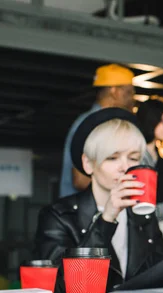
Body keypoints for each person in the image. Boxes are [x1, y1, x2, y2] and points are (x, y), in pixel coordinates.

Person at [36, 107, 163, 293]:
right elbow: (61, 289)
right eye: (112, 158)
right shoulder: (58, 216)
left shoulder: (143, 217)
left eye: (134, 158)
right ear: (88, 163)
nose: (125, 167)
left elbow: (153, 282)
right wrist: (107, 218)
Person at [58, 64, 136, 198]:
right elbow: (80, 180)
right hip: (84, 215)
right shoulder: (93, 124)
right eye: (129, 92)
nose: (133, 98)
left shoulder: (109, 123)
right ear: (114, 91)